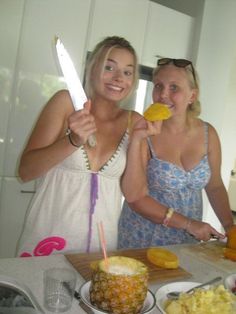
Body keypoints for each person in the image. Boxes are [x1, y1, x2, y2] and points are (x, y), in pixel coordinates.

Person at [16, 36, 141, 257]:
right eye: (109, 67)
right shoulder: (65, 103)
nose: (119, 78)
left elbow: (133, 193)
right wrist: (72, 140)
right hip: (48, 241)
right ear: (92, 69)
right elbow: (25, 171)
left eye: (127, 72)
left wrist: (139, 141)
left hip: (101, 249)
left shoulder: (134, 122)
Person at [118, 57, 236, 248]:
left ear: (192, 95)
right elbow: (135, 198)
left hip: (187, 240)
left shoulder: (208, 134)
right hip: (143, 236)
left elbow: (214, 186)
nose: (163, 94)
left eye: (174, 88)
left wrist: (230, 227)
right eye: (158, 86)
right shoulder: (143, 131)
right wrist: (188, 224)